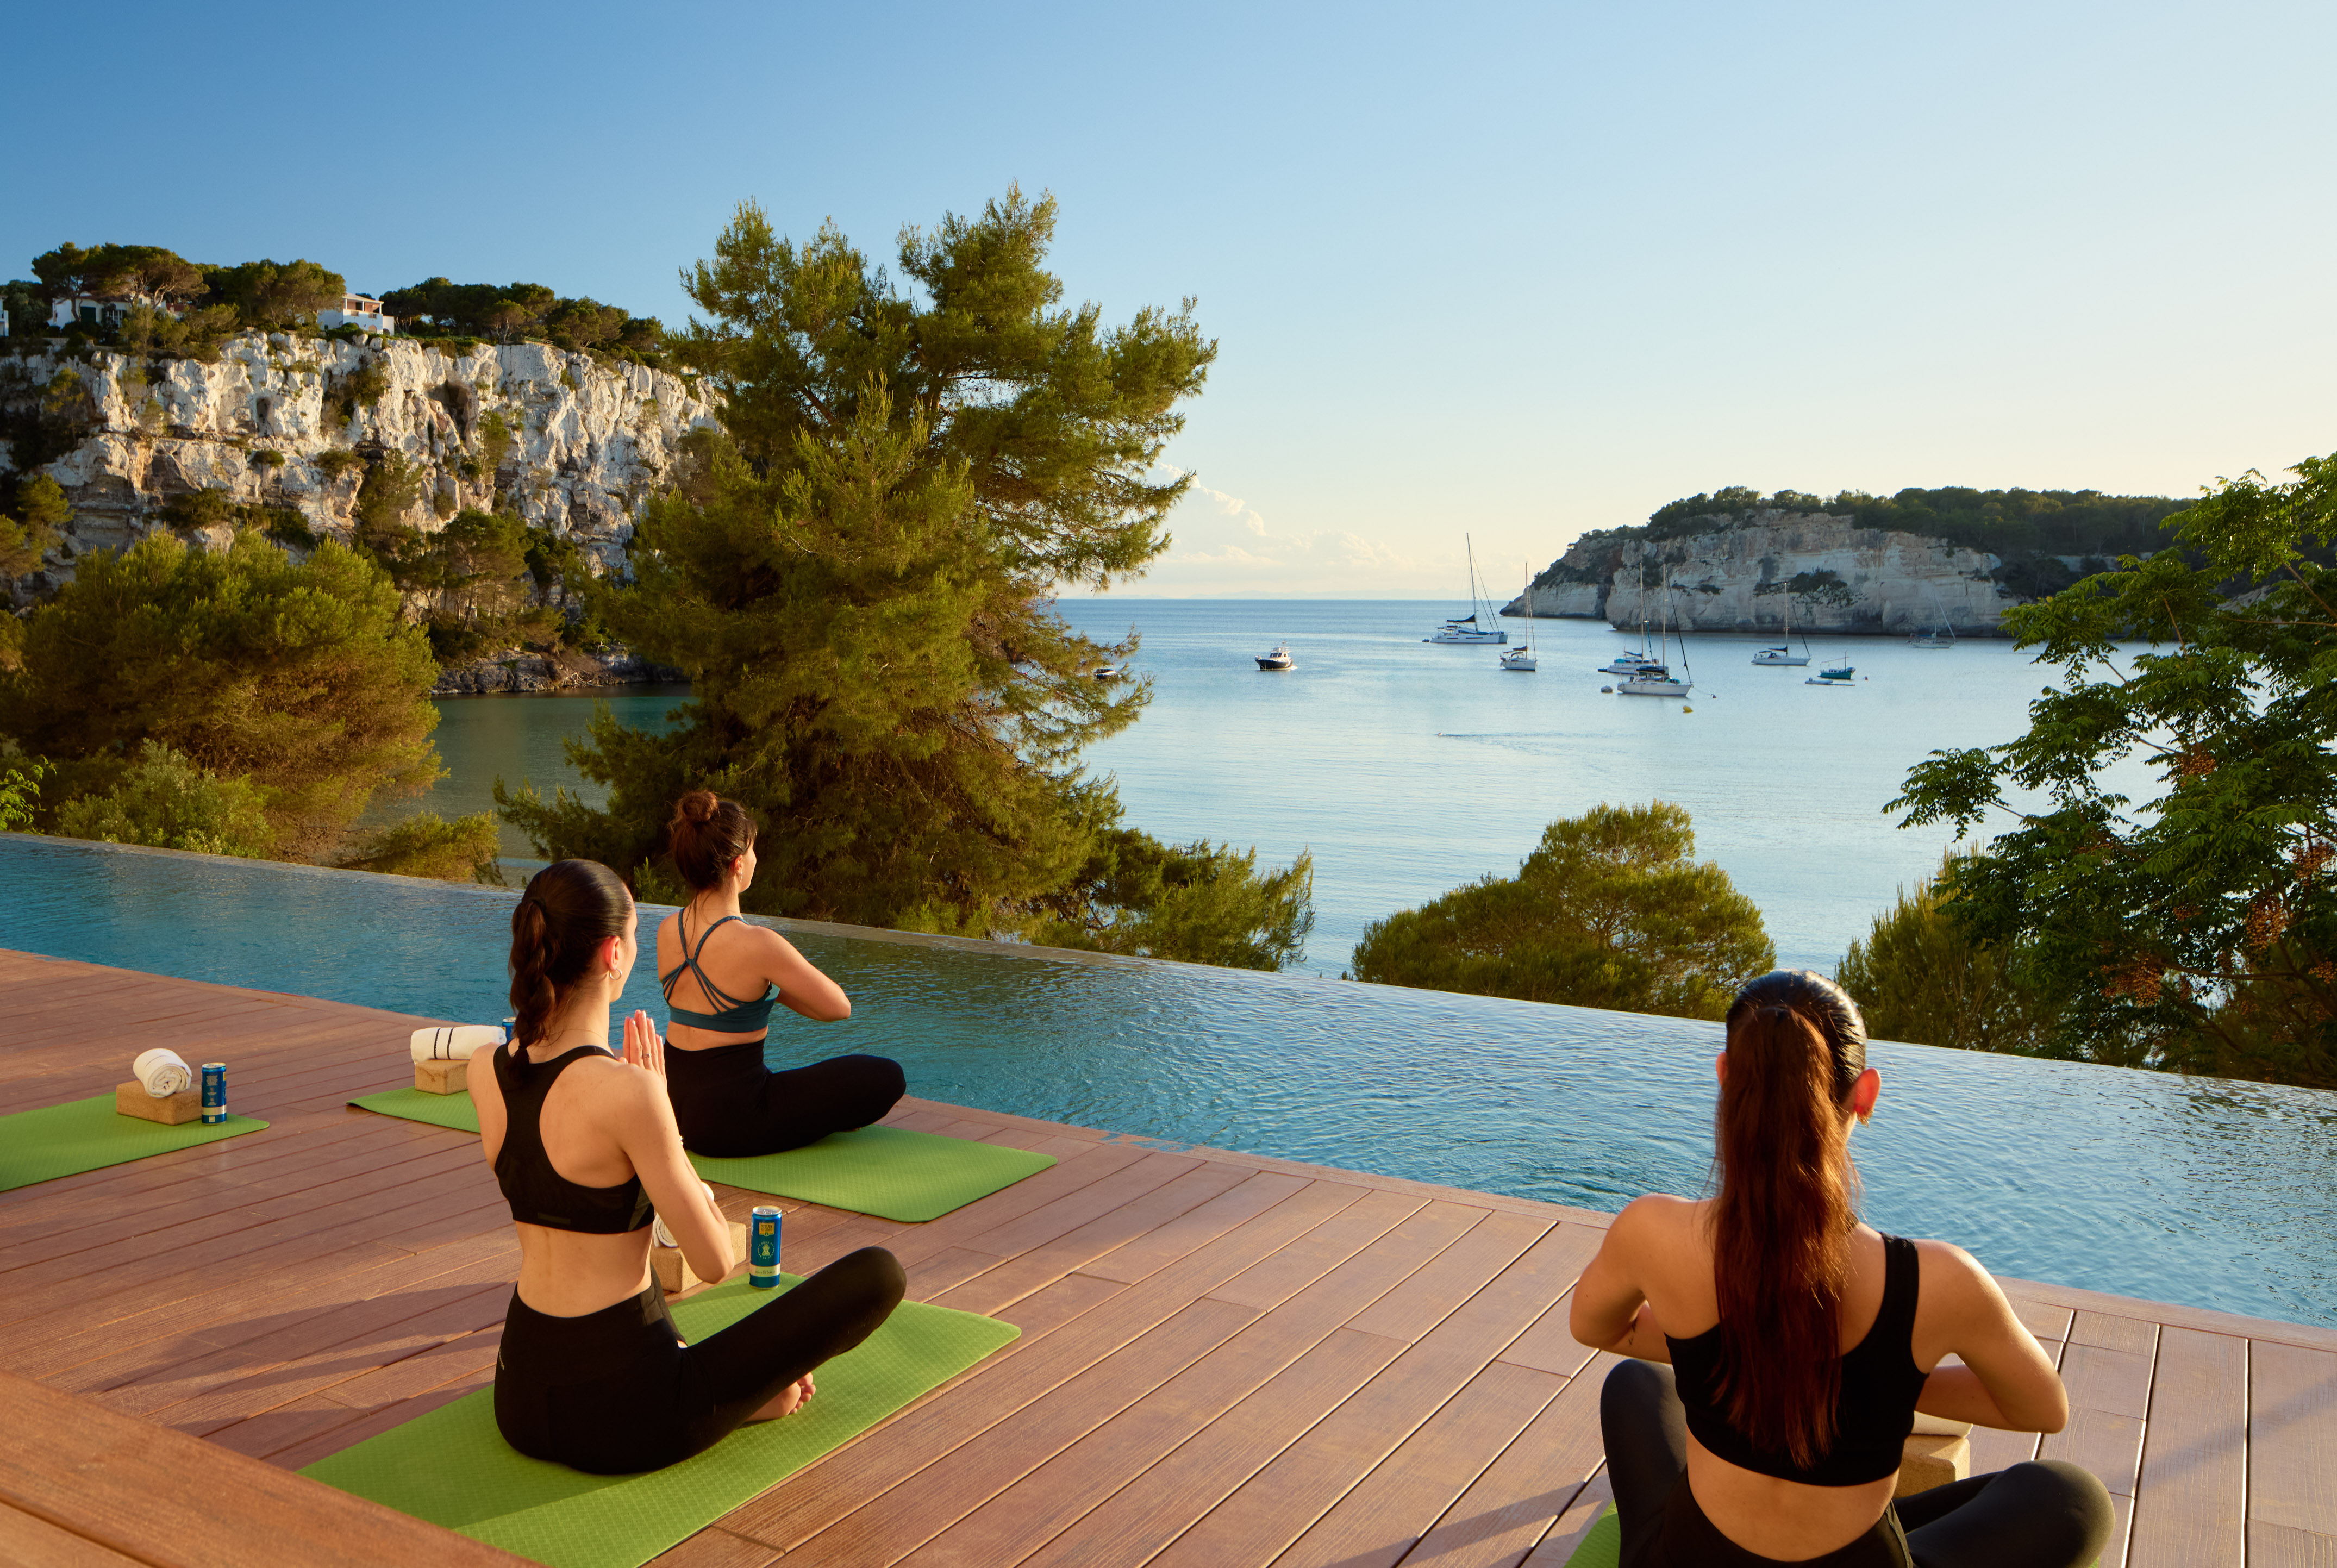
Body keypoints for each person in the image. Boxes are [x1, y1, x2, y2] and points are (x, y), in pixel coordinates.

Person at [1569, 970, 2113, 1568]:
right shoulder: (1937, 1278)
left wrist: (1744, 1360)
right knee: (2070, 1497)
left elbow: (1596, 1327)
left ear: (1725, 1077)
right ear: (1866, 1093)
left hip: (1689, 1559)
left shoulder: (1653, 1230)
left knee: (1636, 1383)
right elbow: (2041, 1409)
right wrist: (1887, 1381)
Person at [473, 858, 905, 1475]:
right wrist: (665, 1128)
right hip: (623, 1418)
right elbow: (713, 1261)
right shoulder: (629, 1092)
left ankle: (718, 1383)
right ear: (613, 953)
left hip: (516, 1395)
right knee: (879, 1274)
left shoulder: (486, 1068)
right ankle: (736, 1398)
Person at [654, 790, 905, 1158]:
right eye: (754, 849)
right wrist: (771, 984)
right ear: (737, 864)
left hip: (677, 1116)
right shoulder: (758, 944)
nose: (757, 858)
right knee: (887, 1077)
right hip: (736, 1121)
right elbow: (838, 1007)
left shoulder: (666, 930)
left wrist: (762, 987)